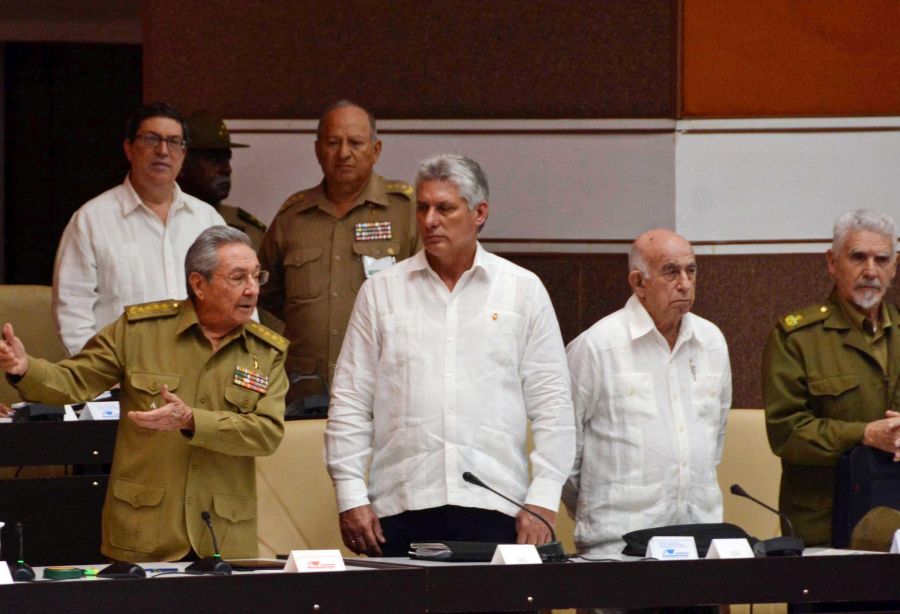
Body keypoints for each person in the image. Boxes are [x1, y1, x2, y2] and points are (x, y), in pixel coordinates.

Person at [325, 153, 575, 556]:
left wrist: (544, 496)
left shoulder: (522, 291)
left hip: (497, 505)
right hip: (400, 506)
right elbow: (351, 401)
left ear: (480, 213)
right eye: (422, 208)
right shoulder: (382, 291)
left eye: (445, 208)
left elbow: (554, 407)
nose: (429, 220)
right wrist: (351, 495)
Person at [1, 226, 287, 562]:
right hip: (145, 530)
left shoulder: (266, 351)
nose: (252, 289)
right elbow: (73, 380)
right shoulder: (140, 331)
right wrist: (23, 367)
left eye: (257, 276)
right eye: (238, 278)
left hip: (223, 536)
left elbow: (267, 433)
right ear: (198, 284)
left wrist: (193, 420)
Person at [563, 229, 732, 559]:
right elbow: (566, 459)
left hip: (700, 542)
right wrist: (593, 512)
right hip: (618, 548)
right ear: (639, 282)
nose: (685, 283)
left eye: (691, 270)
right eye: (671, 271)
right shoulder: (597, 347)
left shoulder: (711, 341)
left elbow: (715, 441)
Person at [258, 100, 418, 405]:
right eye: (333, 143)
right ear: (318, 150)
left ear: (376, 149)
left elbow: (433, 293)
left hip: (385, 388)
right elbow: (261, 296)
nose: (344, 153)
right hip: (304, 389)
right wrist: (294, 339)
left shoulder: (406, 211)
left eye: (355, 143)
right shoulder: (293, 217)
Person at [763, 209, 900, 546]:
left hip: (895, 520)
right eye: (858, 257)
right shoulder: (798, 337)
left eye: (881, 259)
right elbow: (787, 433)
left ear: (894, 267)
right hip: (824, 524)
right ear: (831, 262)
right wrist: (864, 434)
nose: (870, 270)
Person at [53, 102, 225, 356]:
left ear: (184, 154)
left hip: (200, 379)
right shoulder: (91, 221)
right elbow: (72, 313)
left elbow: (235, 297)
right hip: (120, 382)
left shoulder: (207, 220)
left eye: (174, 141)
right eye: (151, 139)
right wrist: (98, 376)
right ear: (128, 148)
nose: (163, 150)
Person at [178, 110, 267, 250]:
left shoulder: (248, 229)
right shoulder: (164, 223)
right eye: (214, 160)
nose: (227, 169)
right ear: (182, 163)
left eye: (227, 159)